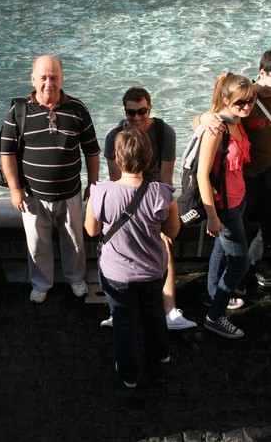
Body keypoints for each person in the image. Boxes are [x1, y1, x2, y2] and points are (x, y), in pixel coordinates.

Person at [85, 126, 180, 388]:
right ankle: (161, 353)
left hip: (116, 274)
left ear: (116, 156)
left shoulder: (100, 191)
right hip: (153, 271)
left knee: (124, 322)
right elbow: (172, 231)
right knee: (153, 312)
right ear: (149, 158)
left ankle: (129, 374)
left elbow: (92, 230)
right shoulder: (163, 193)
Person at [1, 55, 100, 304]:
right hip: (32, 196)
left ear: (62, 78)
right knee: (37, 245)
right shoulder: (19, 110)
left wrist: (94, 183)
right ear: (33, 79)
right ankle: (40, 284)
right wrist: (15, 189)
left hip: (71, 193)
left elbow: (91, 151)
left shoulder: (78, 109)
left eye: (54, 77)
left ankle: (76, 278)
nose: (48, 83)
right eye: (43, 77)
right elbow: (7, 153)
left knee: (75, 242)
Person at [102, 86, 196, 330]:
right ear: (125, 111)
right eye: (131, 113)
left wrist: (163, 222)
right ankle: (117, 309)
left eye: (142, 111)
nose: (137, 118)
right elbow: (115, 182)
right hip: (127, 196)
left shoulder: (165, 132)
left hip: (154, 195)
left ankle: (170, 310)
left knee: (164, 244)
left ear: (150, 107)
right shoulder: (114, 136)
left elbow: (166, 181)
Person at [195, 50, 271, 289]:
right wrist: (204, 119)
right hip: (242, 180)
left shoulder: (246, 100)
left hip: (266, 173)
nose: (246, 105)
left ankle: (255, 266)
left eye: (247, 102)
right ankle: (223, 286)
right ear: (262, 73)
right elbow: (207, 118)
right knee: (228, 239)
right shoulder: (244, 97)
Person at [196, 72, 256, 339]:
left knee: (221, 251)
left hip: (239, 199)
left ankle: (212, 297)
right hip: (225, 207)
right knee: (239, 264)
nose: (247, 107)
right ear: (227, 100)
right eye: (240, 102)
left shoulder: (236, 121)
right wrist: (211, 215)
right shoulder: (216, 129)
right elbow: (202, 174)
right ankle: (215, 316)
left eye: (251, 101)